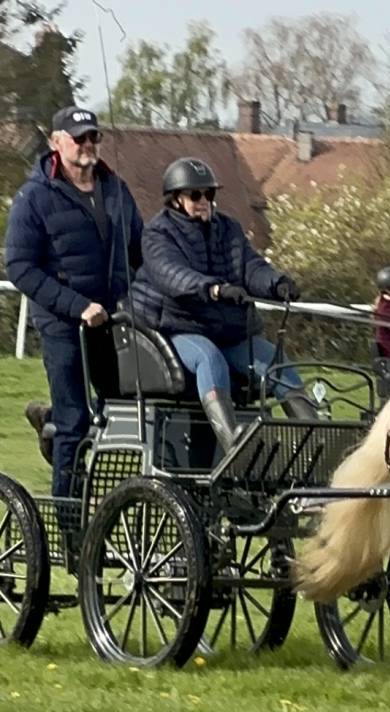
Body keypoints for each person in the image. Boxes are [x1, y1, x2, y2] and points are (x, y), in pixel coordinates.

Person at [129, 157, 316, 453]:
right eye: (195, 195)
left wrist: (276, 283)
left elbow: (250, 266)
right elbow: (172, 276)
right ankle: (233, 444)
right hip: (177, 327)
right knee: (209, 358)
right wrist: (214, 289)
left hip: (227, 329)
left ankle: (313, 439)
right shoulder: (157, 234)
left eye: (209, 194)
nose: (204, 201)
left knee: (277, 362)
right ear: (176, 199)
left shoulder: (228, 228)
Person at [4, 106, 143, 495]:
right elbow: (19, 267)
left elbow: (139, 253)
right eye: (78, 137)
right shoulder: (34, 197)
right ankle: (70, 527)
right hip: (62, 324)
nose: (87, 145)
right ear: (56, 142)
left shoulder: (117, 190)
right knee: (75, 422)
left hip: (112, 320)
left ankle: (50, 423)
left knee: (127, 410)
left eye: (93, 137)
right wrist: (76, 306)